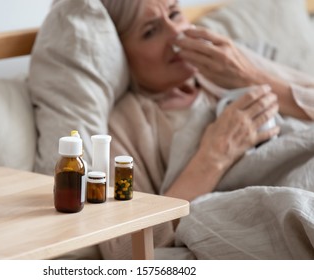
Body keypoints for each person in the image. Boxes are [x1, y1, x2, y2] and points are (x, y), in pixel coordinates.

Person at [99, 0, 314, 259]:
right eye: (150, 31)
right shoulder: (126, 124)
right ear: (120, 54)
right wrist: (214, 156)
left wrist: (254, 78)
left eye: (175, 13)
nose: (176, 33)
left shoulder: (233, 63)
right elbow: (125, 246)